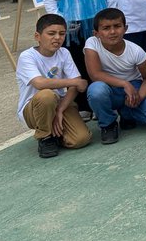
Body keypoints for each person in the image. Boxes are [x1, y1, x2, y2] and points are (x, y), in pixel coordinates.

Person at [83, 8, 146, 144]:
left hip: (134, 88)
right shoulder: (92, 43)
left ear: (125, 28)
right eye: (106, 28)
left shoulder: (135, 51)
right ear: (96, 33)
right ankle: (108, 125)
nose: (112, 32)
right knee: (96, 90)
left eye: (117, 26)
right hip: (109, 88)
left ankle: (127, 112)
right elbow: (95, 74)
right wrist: (124, 84)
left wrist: (139, 98)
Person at [17, 14, 92, 157]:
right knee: (46, 95)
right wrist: (74, 82)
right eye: (51, 33)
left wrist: (60, 110)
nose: (57, 38)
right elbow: (40, 83)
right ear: (37, 36)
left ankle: (57, 132)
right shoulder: (27, 56)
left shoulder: (64, 52)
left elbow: (75, 87)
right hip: (33, 108)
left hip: (58, 103)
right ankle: (45, 137)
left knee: (81, 139)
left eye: (62, 34)